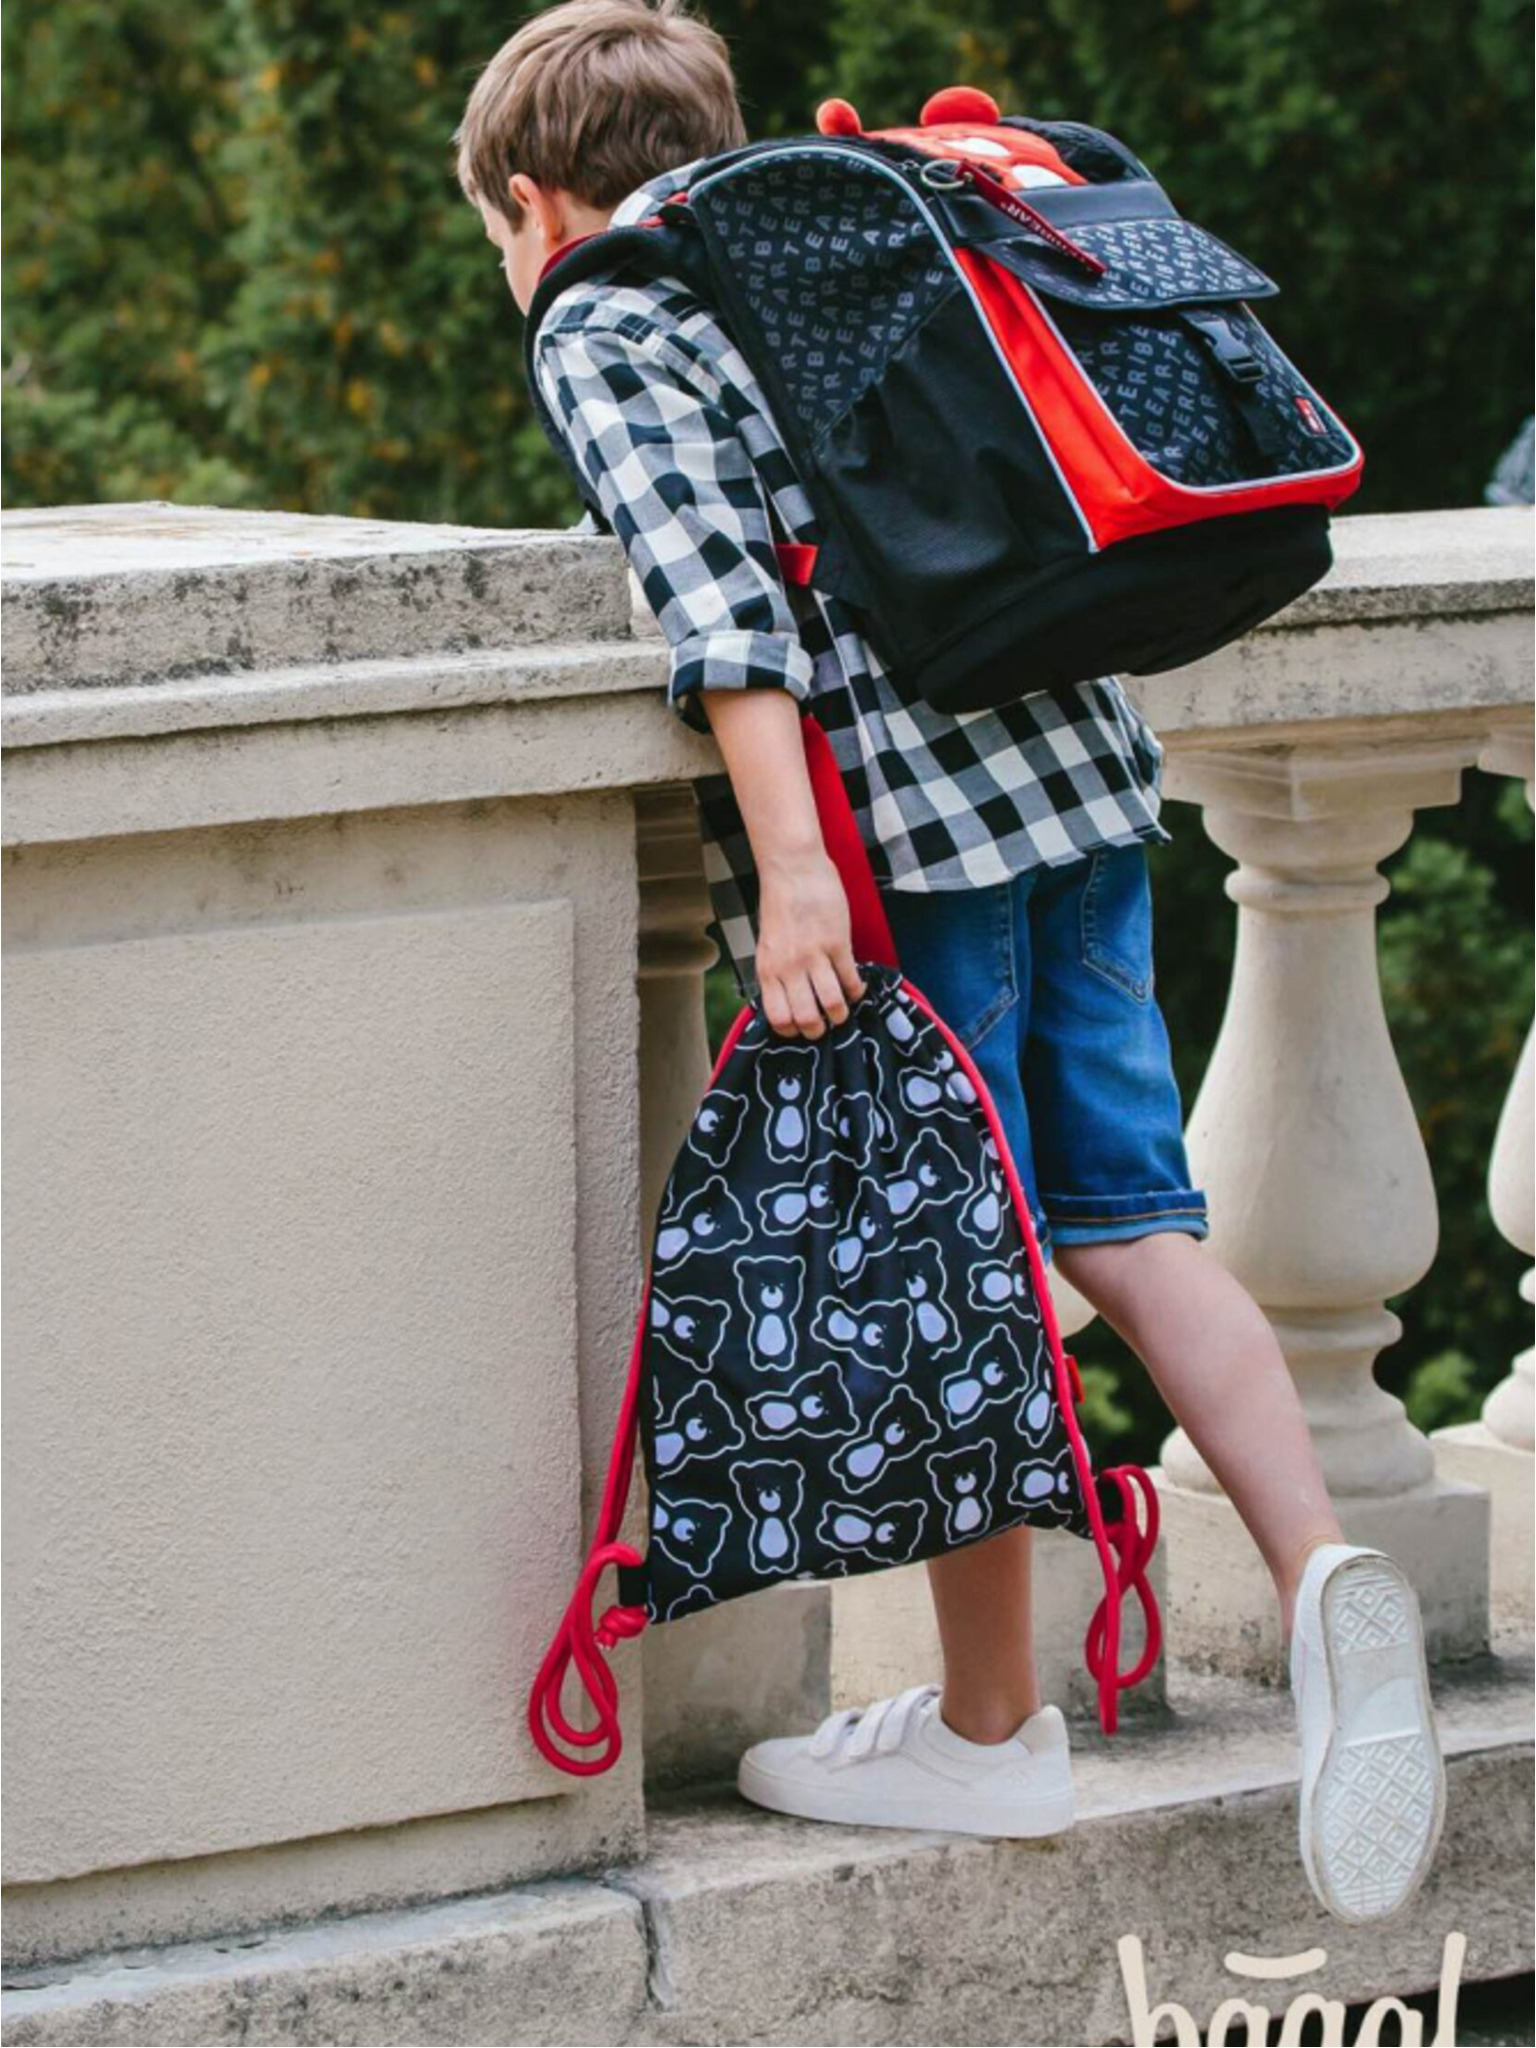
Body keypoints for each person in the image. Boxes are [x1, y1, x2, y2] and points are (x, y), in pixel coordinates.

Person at [456, 0, 1445, 1923]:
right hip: (1085, 785)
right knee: (1132, 1220)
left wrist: (797, 878)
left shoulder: (610, 311)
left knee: (954, 1284)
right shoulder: (841, 232)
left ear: (531, 197)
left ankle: (991, 1730)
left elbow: (723, 612)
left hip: (905, 851)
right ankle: (1324, 1569)